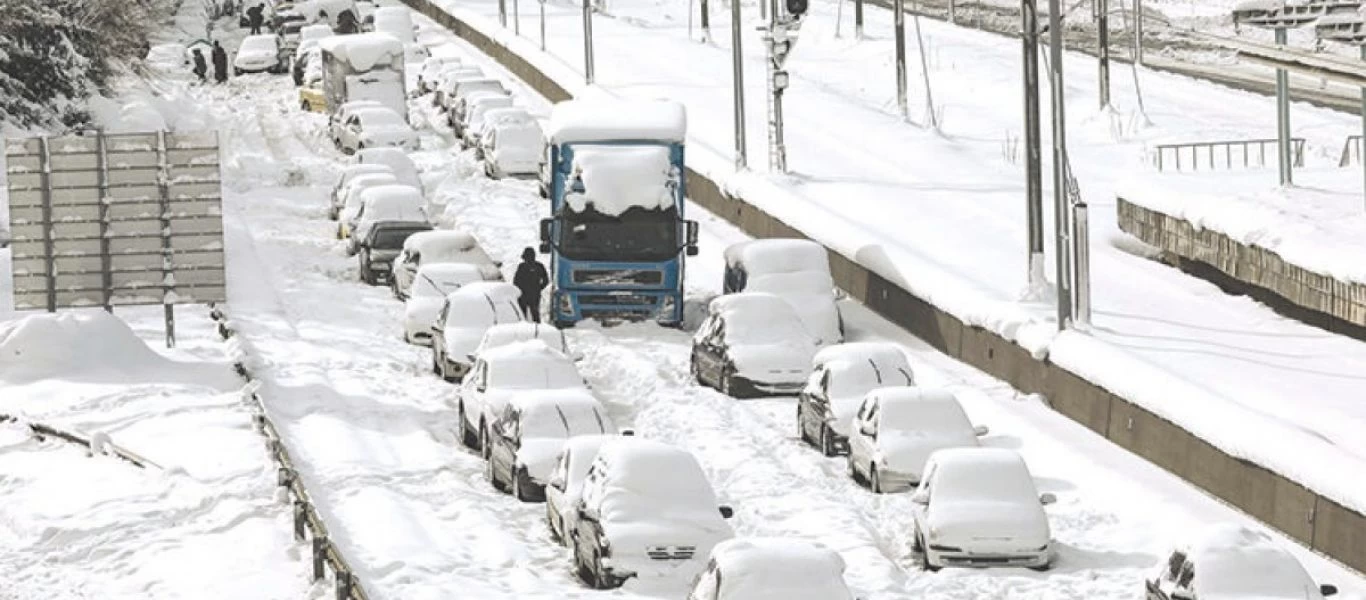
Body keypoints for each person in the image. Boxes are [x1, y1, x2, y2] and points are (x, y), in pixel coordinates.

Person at [512, 247, 549, 323]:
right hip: (533, 294)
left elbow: (515, 281)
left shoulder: (522, 267)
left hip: (524, 295)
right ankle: (537, 328)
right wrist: (539, 288)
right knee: (535, 314)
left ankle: (524, 329)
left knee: (523, 315)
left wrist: (519, 290)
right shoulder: (539, 266)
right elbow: (546, 280)